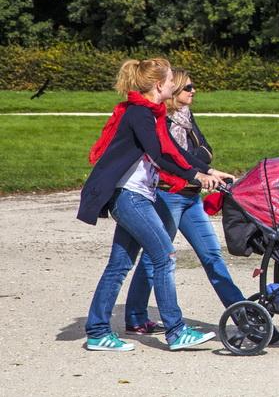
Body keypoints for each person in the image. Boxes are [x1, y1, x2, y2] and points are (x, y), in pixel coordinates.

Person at [78, 58, 231, 352]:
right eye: (172, 79)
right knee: (164, 256)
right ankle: (176, 331)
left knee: (119, 265)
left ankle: (97, 332)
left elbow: (173, 149)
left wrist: (208, 171)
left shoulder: (151, 113)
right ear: (160, 85)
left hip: (135, 196)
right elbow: (160, 155)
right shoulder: (140, 114)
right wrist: (196, 176)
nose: (175, 84)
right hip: (129, 197)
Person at [124, 69, 245, 334]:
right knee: (156, 257)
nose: (193, 91)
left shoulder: (186, 116)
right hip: (169, 195)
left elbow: (205, 151)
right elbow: (170, 160)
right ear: (173, 90)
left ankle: (243, 315)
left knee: (212, 255)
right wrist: (196, 166)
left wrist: (202, 167)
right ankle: (135, 315)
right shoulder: (160, 120)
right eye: (188, 87)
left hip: (191, 197)